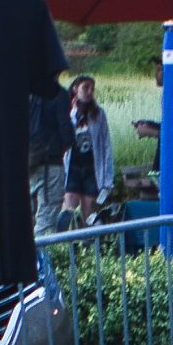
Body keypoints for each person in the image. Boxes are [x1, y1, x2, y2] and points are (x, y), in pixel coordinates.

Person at [58, 73, 118, 223]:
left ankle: (88, 235)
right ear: (75, 89)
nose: (90, 92)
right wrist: (74, 113)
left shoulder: (98, 114)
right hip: (72, 167)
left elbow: (105, 145)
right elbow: (63, 135)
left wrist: (108, 178)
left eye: (92, 89)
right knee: (69, 207)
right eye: (85, 88)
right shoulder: (67, 111)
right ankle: (67, 236)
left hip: (91, 167)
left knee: (89, 209)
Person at [27, 77, 72, 232]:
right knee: (46, 223)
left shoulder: (25, 92)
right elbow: (67, 134)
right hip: (50, 164)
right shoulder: (58, 93)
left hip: (28, 163)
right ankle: (42, 248)